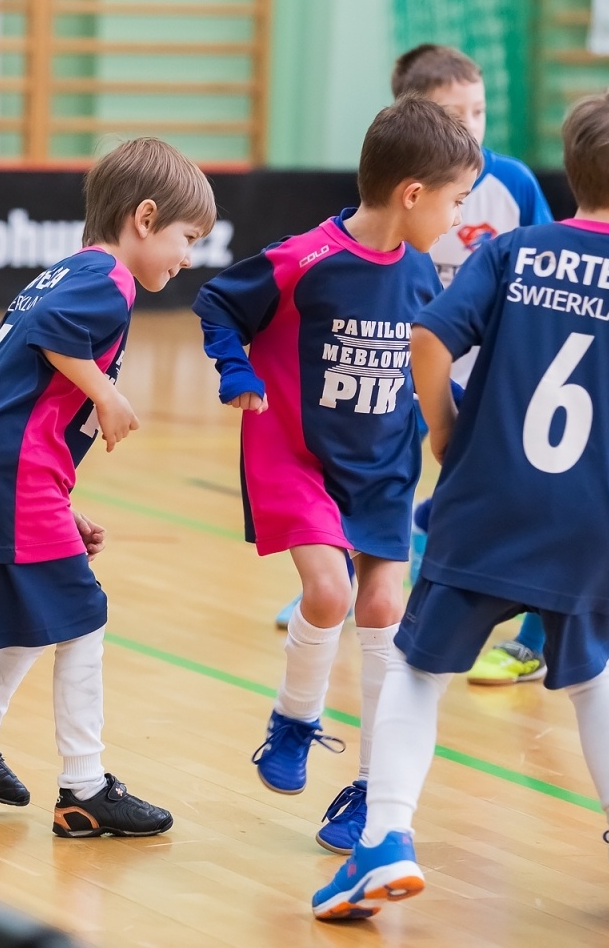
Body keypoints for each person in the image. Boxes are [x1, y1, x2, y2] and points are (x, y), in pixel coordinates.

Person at [313, 82, 609, 921]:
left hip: (487, 502)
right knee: (597, 678)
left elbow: (428, 335)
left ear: (572, 171)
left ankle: (385, 840)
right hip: (596, 518)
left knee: (421, 673)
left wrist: (445, 432)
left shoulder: (516, 249)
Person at [195, 99, 479, 854]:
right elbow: (219, 301)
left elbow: (430, 367)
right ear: (413, 194)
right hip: (298, 453)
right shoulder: (306, 259)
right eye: (454, 201)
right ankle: (294, 718)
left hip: (385, 467)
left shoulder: (422, 276)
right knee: (329, 592)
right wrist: (234, 372)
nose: (456, 219)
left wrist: (459, 434)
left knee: (384, 609)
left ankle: (372, 783)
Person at [0, 138, 212, 838]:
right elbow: (55, 338)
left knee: (43, 612)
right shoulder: (107, 277)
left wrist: (58, 501)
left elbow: (25, 393)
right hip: (5, 472)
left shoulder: (65, 273)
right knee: (82, 612)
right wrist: (104, 393)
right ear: (145, 218)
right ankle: (85, 788)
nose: (189, 257)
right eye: (187, 238)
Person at [273, 44, 554, 640]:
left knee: (478, 481)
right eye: (454, 116)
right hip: (401, 361)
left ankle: (417, 579)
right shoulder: (398, 197)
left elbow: (545, 265)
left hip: (479, 368)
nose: (471, 127)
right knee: (368, 473)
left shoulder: (514, 186)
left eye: (478, 112)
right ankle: (336, 583)